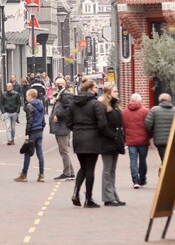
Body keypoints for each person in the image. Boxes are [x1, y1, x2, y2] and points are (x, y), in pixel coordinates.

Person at [66, 79, 110, 208]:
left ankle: (76, 191)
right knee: (90, 168)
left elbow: (68, 122)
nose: (97, 89)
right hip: (92, 137)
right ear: (90, 89)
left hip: (78, 137)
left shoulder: (73, 104)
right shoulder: (97, 105)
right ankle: (88, 198)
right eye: (96, 87)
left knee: (83, 167)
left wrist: (77, 129)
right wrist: (105, 134)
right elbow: (102, 124)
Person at [99, 84, 126, 206]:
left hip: (115, 142)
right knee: (107, 169)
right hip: (107, 142)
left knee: (112, 170)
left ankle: (113, 195)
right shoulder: (104, 107)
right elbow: (102, 126)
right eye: (115, 91)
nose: (118, 93)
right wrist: (113, 136)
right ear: (108, 93)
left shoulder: (115, 106)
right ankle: (108, 197)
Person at [14, 89, 46, 182]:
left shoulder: (29, 106)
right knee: (40, 153)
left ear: (30, 96)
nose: (26, 98)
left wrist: (27, 133)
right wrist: (42, 127)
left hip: (32, 131)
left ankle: (24, 174)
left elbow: (30, 121)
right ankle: (41, 175)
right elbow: (43, 119)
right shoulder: (40, 104)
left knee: (27, 152)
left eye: (27, 96)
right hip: (39, 130)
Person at [49, 77, 75, 181]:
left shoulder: (66, 94)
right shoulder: (60, 94)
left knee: (64, 150)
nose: (57, 85)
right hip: (59, 126)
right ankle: (71, 172)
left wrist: (58, 116)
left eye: (59, 84)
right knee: (62, 150)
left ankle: (67, 173)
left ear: (64, 84)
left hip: (62, 126)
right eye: (56, 83)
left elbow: (69, 109)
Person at [122, 93, 150, 189]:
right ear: (140, 101)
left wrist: (125, 138)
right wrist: (148, 136)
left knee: (133, 160)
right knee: (143, 160)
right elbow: (149, 126)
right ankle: (142, 178)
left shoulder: (124, 112)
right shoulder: (145, 111)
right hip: (143, 140)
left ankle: (135, 180)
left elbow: (123, 127)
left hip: (130, 141)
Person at [144, 93, 175, 166]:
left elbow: (147, 125)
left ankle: (164, 175)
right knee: (170, 159)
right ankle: (168, 174)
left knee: (164, 159)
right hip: (173, 140)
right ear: (170, 100)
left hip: (160, 140)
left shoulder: (154, 110)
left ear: (159, 100)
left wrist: (152, 133)